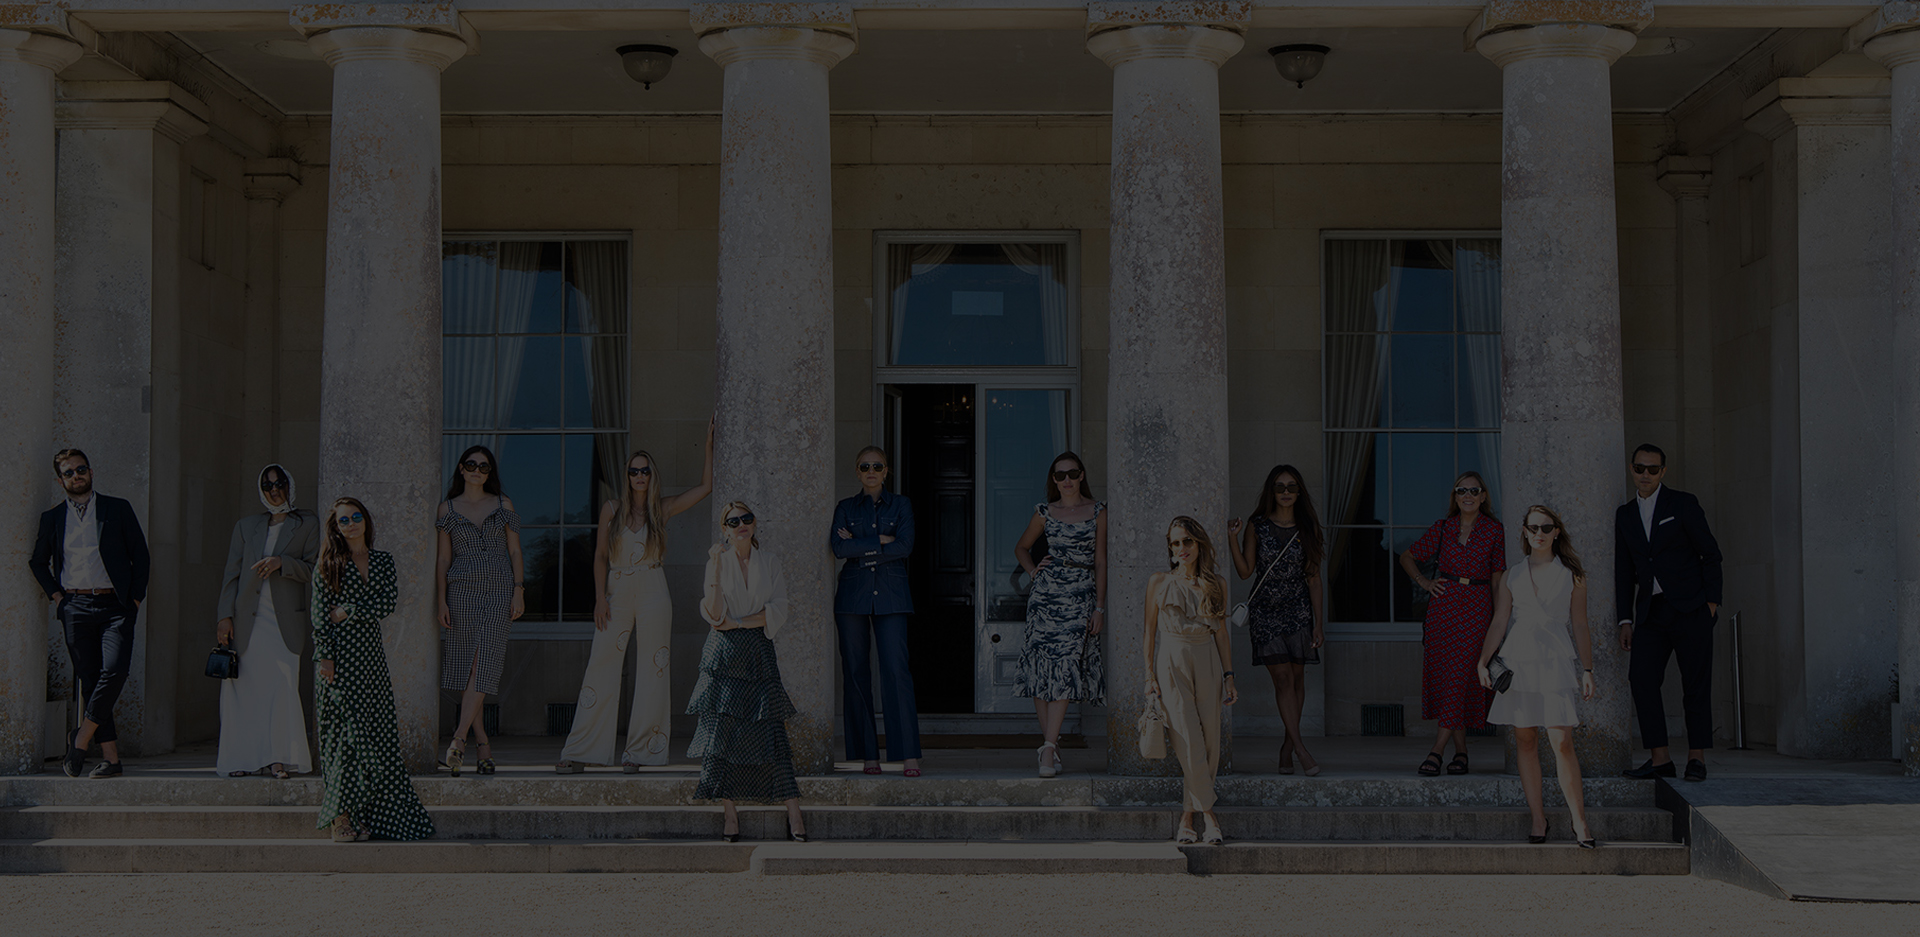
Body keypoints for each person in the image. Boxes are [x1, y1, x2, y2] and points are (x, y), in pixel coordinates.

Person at [557, 421, 714, 774]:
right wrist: (600, 597)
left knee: (653, 668)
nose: (639, 476)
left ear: (651, 475)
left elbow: (706, 487)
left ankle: (640, 752)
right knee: (601, 664)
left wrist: (707, 446)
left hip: (654, 588)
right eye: (633, 471)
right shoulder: (612, 508)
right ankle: (582, 749)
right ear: (627, 476)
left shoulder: (661, 508)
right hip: (616, 589)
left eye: (644, 470)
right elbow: (599, 556)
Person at [313, 498, 434, 842]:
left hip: (371, 663)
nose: (350, 524)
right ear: (335, 527)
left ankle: (371, 816)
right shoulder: (327, 564)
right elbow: (321, 617)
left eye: (355, 517)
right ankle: (340, 818)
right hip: (339, 663)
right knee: (344, 740)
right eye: (343, 520)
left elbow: (386, 603)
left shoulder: (382, 561)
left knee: (377, 739)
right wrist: (325, 658)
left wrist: (349, 609)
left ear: (365, 520)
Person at [1478, 504, 1599, 848]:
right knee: (1526, 740)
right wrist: (1482, 662)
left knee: (1562, 741)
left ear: (1557, 532)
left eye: (1546, 527)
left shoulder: (1572, 573)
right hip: (1520, 659)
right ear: (1526, 533)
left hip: (1555, 660)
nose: (1540, 533)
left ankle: (1580, 822)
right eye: (1533, 528)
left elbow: (1579, 623)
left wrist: (1588, 669)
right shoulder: (1512, 574)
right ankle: (1538, 818)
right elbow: (1500, 620)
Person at [29, 449, 150, 779]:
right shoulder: (53, 518)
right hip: (76, 607)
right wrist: (57, 597)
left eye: (81, 469)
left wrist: (135, 599)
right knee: (92, 680)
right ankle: (111, 759)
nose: (76, 476)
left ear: (91, 472)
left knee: (115, 670)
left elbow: (140, 555)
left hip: (116, 607)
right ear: (60, 480)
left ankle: (80, 738)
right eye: (69, 472)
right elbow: (37, 562)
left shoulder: (117, 508)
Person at [692, 501, 806, 842]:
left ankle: (795, 812)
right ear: (725, 529)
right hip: (723, 656)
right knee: (723, 734)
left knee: (772, 732)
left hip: (758, 651)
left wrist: (738, 621)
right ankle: (730, 814)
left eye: (746, 518)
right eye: (733, 521)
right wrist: (714, 568)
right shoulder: (719, 562)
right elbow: (713, 614)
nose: (741, 524)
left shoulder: (769, 562)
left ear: (754, 524)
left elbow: (779, 609)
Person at [1615, 443, 1723, 782]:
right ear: (1632, 470)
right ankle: (1660, 759)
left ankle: (1697, 758)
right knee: (1642, 679)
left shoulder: (1683, 504)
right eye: (1639, 468)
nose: (1645, 474)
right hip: (1651, 613)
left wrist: (1712, 603)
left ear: (1663, 471)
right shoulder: (1626, 514)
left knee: (1696, 685)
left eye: (1652, 469)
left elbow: (1711, 554)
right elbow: (1623, 571)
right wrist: (1625, 618)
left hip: (1691, 608)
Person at [213, 464, 320, 779]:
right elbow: (231, 575)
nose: (275, 490)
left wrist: (281, 563)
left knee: (282, 688)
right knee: (244, 692)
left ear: (290, 485)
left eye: (280, 483)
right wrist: (224, 616)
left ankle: (280, 758)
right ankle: (242, 759)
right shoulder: (246, 526)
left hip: (285, 623)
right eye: (268, 485)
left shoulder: (307, 523)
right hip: (247, 621)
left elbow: (316, 569)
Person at [1400, 472, 1505, 777]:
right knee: (1450, 680)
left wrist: (1500, 621)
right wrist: (1423, 580)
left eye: (1474, 490)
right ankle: (1461, 752)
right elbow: (1407, 556)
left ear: (1483, 496)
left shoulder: (1494, 531)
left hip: (1477, 607)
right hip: (1442, 610)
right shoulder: (1443, 528)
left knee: (1460, 675)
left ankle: (1436, 750)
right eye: (1462, 490)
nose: (1468, 495)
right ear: (1455, 496)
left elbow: (1497, 579)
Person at [1012, 451, 1107, 778]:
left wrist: (1099, 606)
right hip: (1046, 596)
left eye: (1072, 473)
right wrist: (1034, 571)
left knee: (1066, 668)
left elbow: (1101, 562)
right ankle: (1049, 747)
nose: (1066, 480)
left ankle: (1048, 748)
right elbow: (1021, 547)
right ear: (1053, 480)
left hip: (1080, 594)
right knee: (1041, 673)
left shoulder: (1097, 511)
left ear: (1081, 475)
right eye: (1059, 475)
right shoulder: (1044, 512)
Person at [830, 446, 922, 777]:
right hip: (852, 597)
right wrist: (880, 541)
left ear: (886, 471)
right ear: (857, 472)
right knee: (856, 673)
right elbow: (839, 548)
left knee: (896, 672)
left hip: (892, 596)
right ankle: (869, 754)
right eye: (864, 466)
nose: (871, 470)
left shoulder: (902, 505)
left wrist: (862, 542)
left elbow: (905, 545)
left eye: (877, 465)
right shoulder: (845, 507)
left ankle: (908, 754)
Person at [1227, 464, 1325, 776]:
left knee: (1297, 680)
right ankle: (1301, 749)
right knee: (1282, 679)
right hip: (1266, 611)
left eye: (1292, 487)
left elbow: (1313, 579)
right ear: (1272, 491)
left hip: (1298, 610)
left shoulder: (1308, 527)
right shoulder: (1258, 525)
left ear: (1299, 492)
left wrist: (1318, 623)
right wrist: (1233, 538)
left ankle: (1286, 745)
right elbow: (1245, 571)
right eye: (1280, 487)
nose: (1285, 492)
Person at [1146, 516, 1238, 845]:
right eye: (1175, 543)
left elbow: (1223, 634)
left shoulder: (1217, 584)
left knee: (1210, 740)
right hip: (1171, 659)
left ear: (1199, 544)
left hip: (1208, 657)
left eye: (1187, 541)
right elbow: (1149, 633)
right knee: (1187, 738)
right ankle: (1210, 817)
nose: (1181, 548)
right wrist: (1148, 676)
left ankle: (1187, 816)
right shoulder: (1159, 581)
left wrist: (1229, 677)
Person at [434, 445, 524, 777]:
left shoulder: (503, 504)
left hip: (500, 588)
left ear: (490, 473)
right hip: (461, 590)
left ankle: (459, 739)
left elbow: (515, 551)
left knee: (485, 662)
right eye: (471, 464)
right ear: (460, 468)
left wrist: (519, 589)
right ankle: (482, 743)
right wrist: (441, 600)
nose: (476, 470)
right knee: (469, 666)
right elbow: (443, 559)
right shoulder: (447, 508)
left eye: (484, 467)